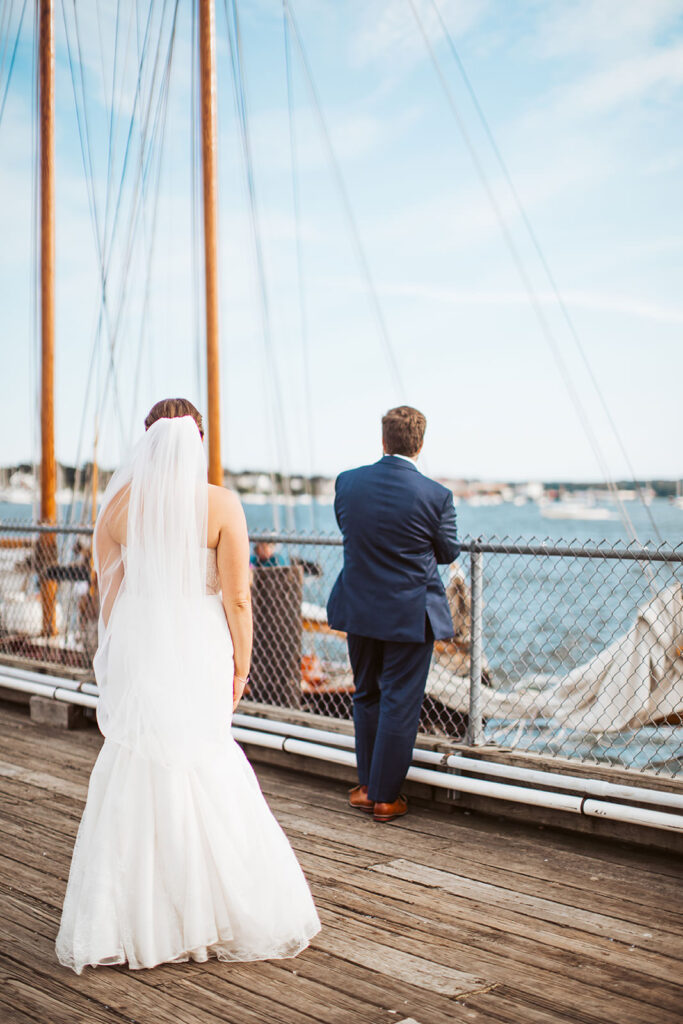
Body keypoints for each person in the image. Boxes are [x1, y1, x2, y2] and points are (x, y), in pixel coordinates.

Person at [55, 398, 320, 974]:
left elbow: (110, 593)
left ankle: (138, 920)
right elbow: (239, 597)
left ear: (147, 440)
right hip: (201, 642)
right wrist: (243, 664)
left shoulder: (118, 507)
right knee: (205, 756)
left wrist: (120, 652)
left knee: (140, 759)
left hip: (142, 640)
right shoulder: (220, 504)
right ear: (196, 441)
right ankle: (212, 912)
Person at [327, 405, 460, 823]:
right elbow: (448, 552)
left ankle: (367, 787)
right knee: (400, 702)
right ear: (419, 445)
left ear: (383, 441)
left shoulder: (347, 484)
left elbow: (350, 531)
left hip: (360, 606)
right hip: (408, 613)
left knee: (366, 693)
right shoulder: (436, 496)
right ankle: (385, 797)